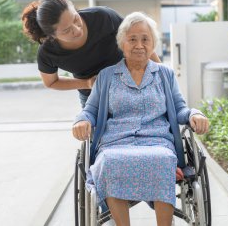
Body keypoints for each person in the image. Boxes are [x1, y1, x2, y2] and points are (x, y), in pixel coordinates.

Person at [72, 12, 209, 226]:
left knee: (163, 158)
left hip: (157, 140)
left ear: (153, 43)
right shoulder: (107, 76)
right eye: (132, 39)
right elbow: (90, 109)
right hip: (116, 141)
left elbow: (180, 108)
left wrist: (194, 114)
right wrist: (82, 120)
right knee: (108, 161)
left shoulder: (165, 74)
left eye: (145, 39)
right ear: (122, 43)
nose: (139, 45)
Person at [21, 0, 161, 108]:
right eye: (66, 30)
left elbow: (140, 43)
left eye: (76, 19)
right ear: (51, 36)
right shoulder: (47, 53)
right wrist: (87, 83)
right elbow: (51, 82)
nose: (77, 30)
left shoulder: (103, 17)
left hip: (131, 83)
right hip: (93, 96)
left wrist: (163, 76)